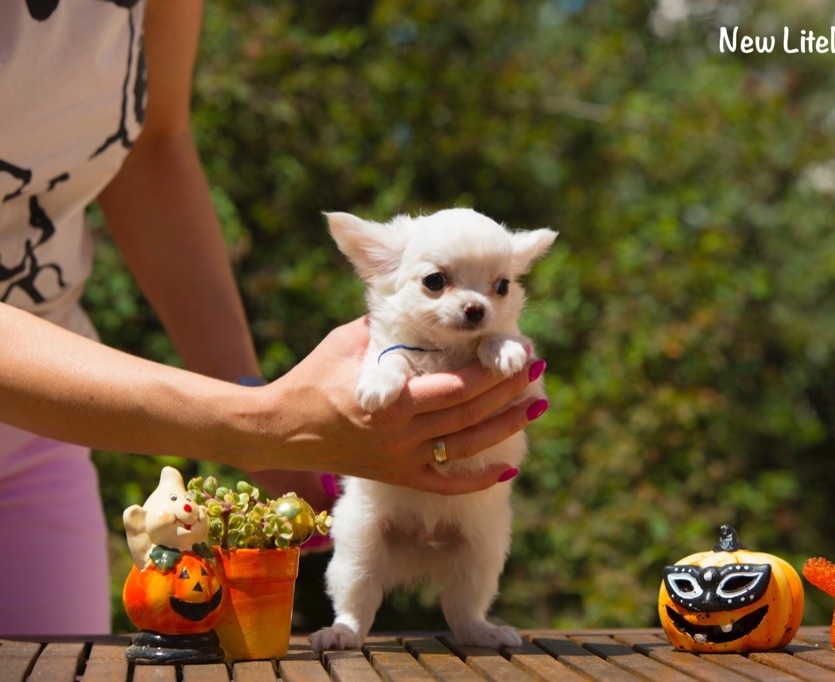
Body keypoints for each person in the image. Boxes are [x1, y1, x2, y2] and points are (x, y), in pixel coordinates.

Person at [0, 0, 546, 636]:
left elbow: (153, 147)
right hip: (46, 397)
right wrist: (259, 424)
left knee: (62, 663)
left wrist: (259, 404)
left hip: (45, 430)